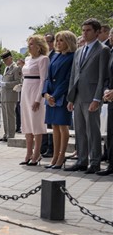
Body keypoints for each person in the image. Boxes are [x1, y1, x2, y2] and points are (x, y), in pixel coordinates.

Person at [65, 18, 111, 174]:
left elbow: (102, 76)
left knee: (93, 131)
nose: (84, 33)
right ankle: (82, 161)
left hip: (92, 97)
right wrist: (71, 98)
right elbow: (73, 75)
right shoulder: (79, 51)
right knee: (80, 131)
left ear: (97, 32)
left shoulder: (102, 50)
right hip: (77, 97)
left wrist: (97, 98)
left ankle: (95, 162)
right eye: (83, 30)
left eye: (88, 30)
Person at [42, 31, 77, 169]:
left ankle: (62, 156)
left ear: (69, 42)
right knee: (54, 127)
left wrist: (55, 96)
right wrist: (45, 93)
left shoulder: (72, 57)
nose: (57, 43)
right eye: (57, 40)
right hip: (51, 96)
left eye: (61, 40)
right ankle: (55, 156)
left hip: (62, 96)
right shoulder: (55, 56)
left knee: (63, 127)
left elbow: (68, 79)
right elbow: (48, 77)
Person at [19, 35, 49, 166]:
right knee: (26, 123)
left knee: (36, 123)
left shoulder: (43, 59)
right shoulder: (27, 59)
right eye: (29, 44)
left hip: (35, 91)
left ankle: (37, 153)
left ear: (39, 46)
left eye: (32, 44)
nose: (29, 46)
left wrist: (38, 98)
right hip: (25, 90)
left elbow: (43, 79)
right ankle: (28, 153)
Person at [0, 50, 22, 143]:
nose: (4, 62)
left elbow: (18, 82)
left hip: (11, 95)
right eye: (4, 60)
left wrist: (6, 84)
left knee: (10, 116)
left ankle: (11, 135)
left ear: (10, 58)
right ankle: (6, 134)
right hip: (4, 95)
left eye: (6, 59)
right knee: (5, 116)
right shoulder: (6, 68)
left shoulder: (16, 68)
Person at [98, 34, 113, 176]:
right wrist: (107, 90)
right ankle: (111, 165)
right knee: (111, 133)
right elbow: (107, 77)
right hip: (111, 100)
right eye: (111, 35)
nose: (111, 37)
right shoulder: (111, 52)